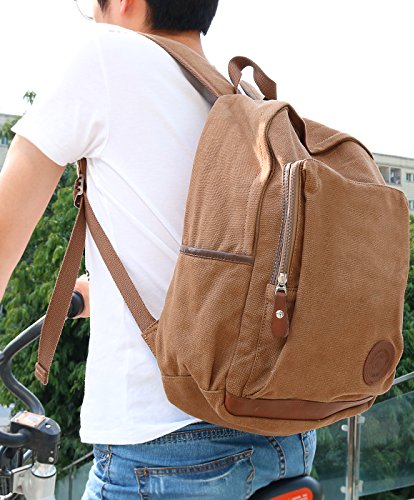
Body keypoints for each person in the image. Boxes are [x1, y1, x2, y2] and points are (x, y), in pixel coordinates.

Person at [0, 0, 317, 498]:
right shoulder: (237, 96)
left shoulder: (106, 54)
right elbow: (218, 261)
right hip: (286, 435)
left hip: (165, 451)